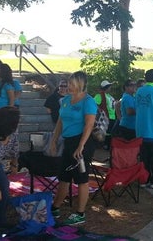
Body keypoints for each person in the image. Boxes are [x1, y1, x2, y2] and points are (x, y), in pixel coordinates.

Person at [49, 71, 97, 225]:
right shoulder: (65, 100)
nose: (68, 86)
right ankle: (55, 207)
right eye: (68, 83)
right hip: (68, 141)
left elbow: (89, 125)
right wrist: (53, 140)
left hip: (83, 142)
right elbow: (60, 121)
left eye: (71, 84)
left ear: (81, 84)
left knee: (81, 178)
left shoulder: (88, 101)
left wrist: (81, 146)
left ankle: (80, 213)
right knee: (64, 175)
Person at [94, 80, 116, 148]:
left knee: (109, 132)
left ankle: (107, 144)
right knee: (104, 131)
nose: (110, 88)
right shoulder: (99, 95)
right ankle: (103, 145)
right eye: (109, 86)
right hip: (105, 117)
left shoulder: (109, 96)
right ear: (106, 87)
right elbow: (95, 105)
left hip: (112, 117)